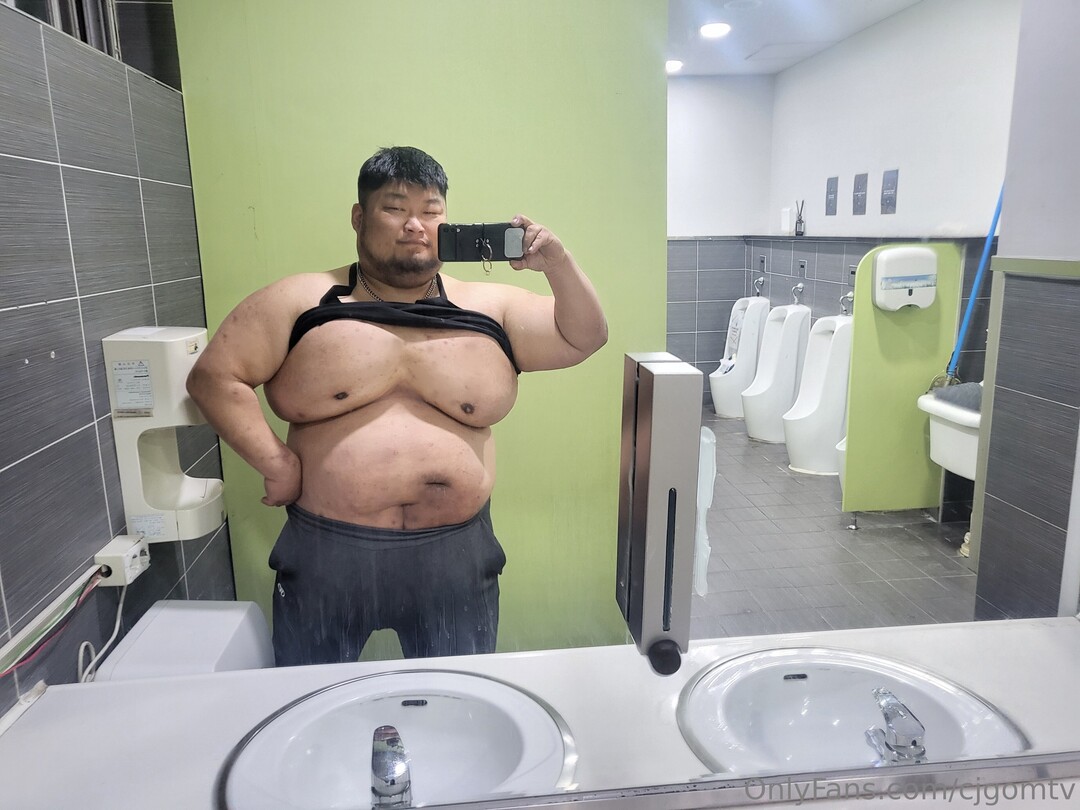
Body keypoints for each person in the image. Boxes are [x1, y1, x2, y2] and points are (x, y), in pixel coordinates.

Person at [186, 146, 607, 666]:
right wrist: (277, 464)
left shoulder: (492, 308)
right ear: (359, 217)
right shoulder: (301, 302)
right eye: (394, 208)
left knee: (454, 697)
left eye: (431, 211)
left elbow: (585, 336)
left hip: (455, 553)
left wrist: (557, 264)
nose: (415, 225)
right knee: (315, 699)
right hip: (326, 554)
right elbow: (214, 376)